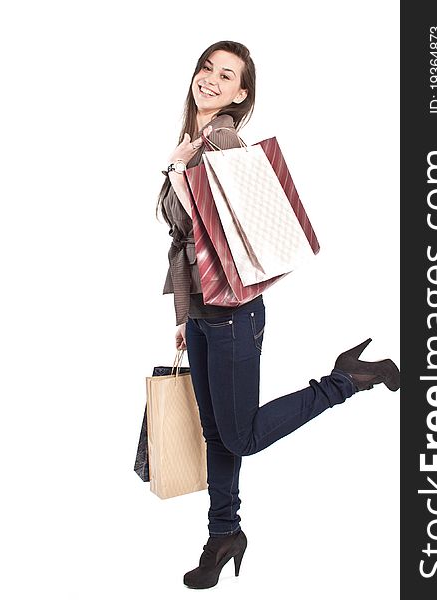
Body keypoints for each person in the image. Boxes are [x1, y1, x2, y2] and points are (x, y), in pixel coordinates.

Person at [156, 40, 400, 590]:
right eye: (206, 68)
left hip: (234, 314)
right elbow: (184, 240)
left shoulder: (219, 140)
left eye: (227, 75)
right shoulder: (192, 139)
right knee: (216, 435)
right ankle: (224, 535)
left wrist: (178, 175)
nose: (211, 79)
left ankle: (345, 381)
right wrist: (181, 313)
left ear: (241, 94)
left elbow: (219, 226)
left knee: (236, 437)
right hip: (202, 313)